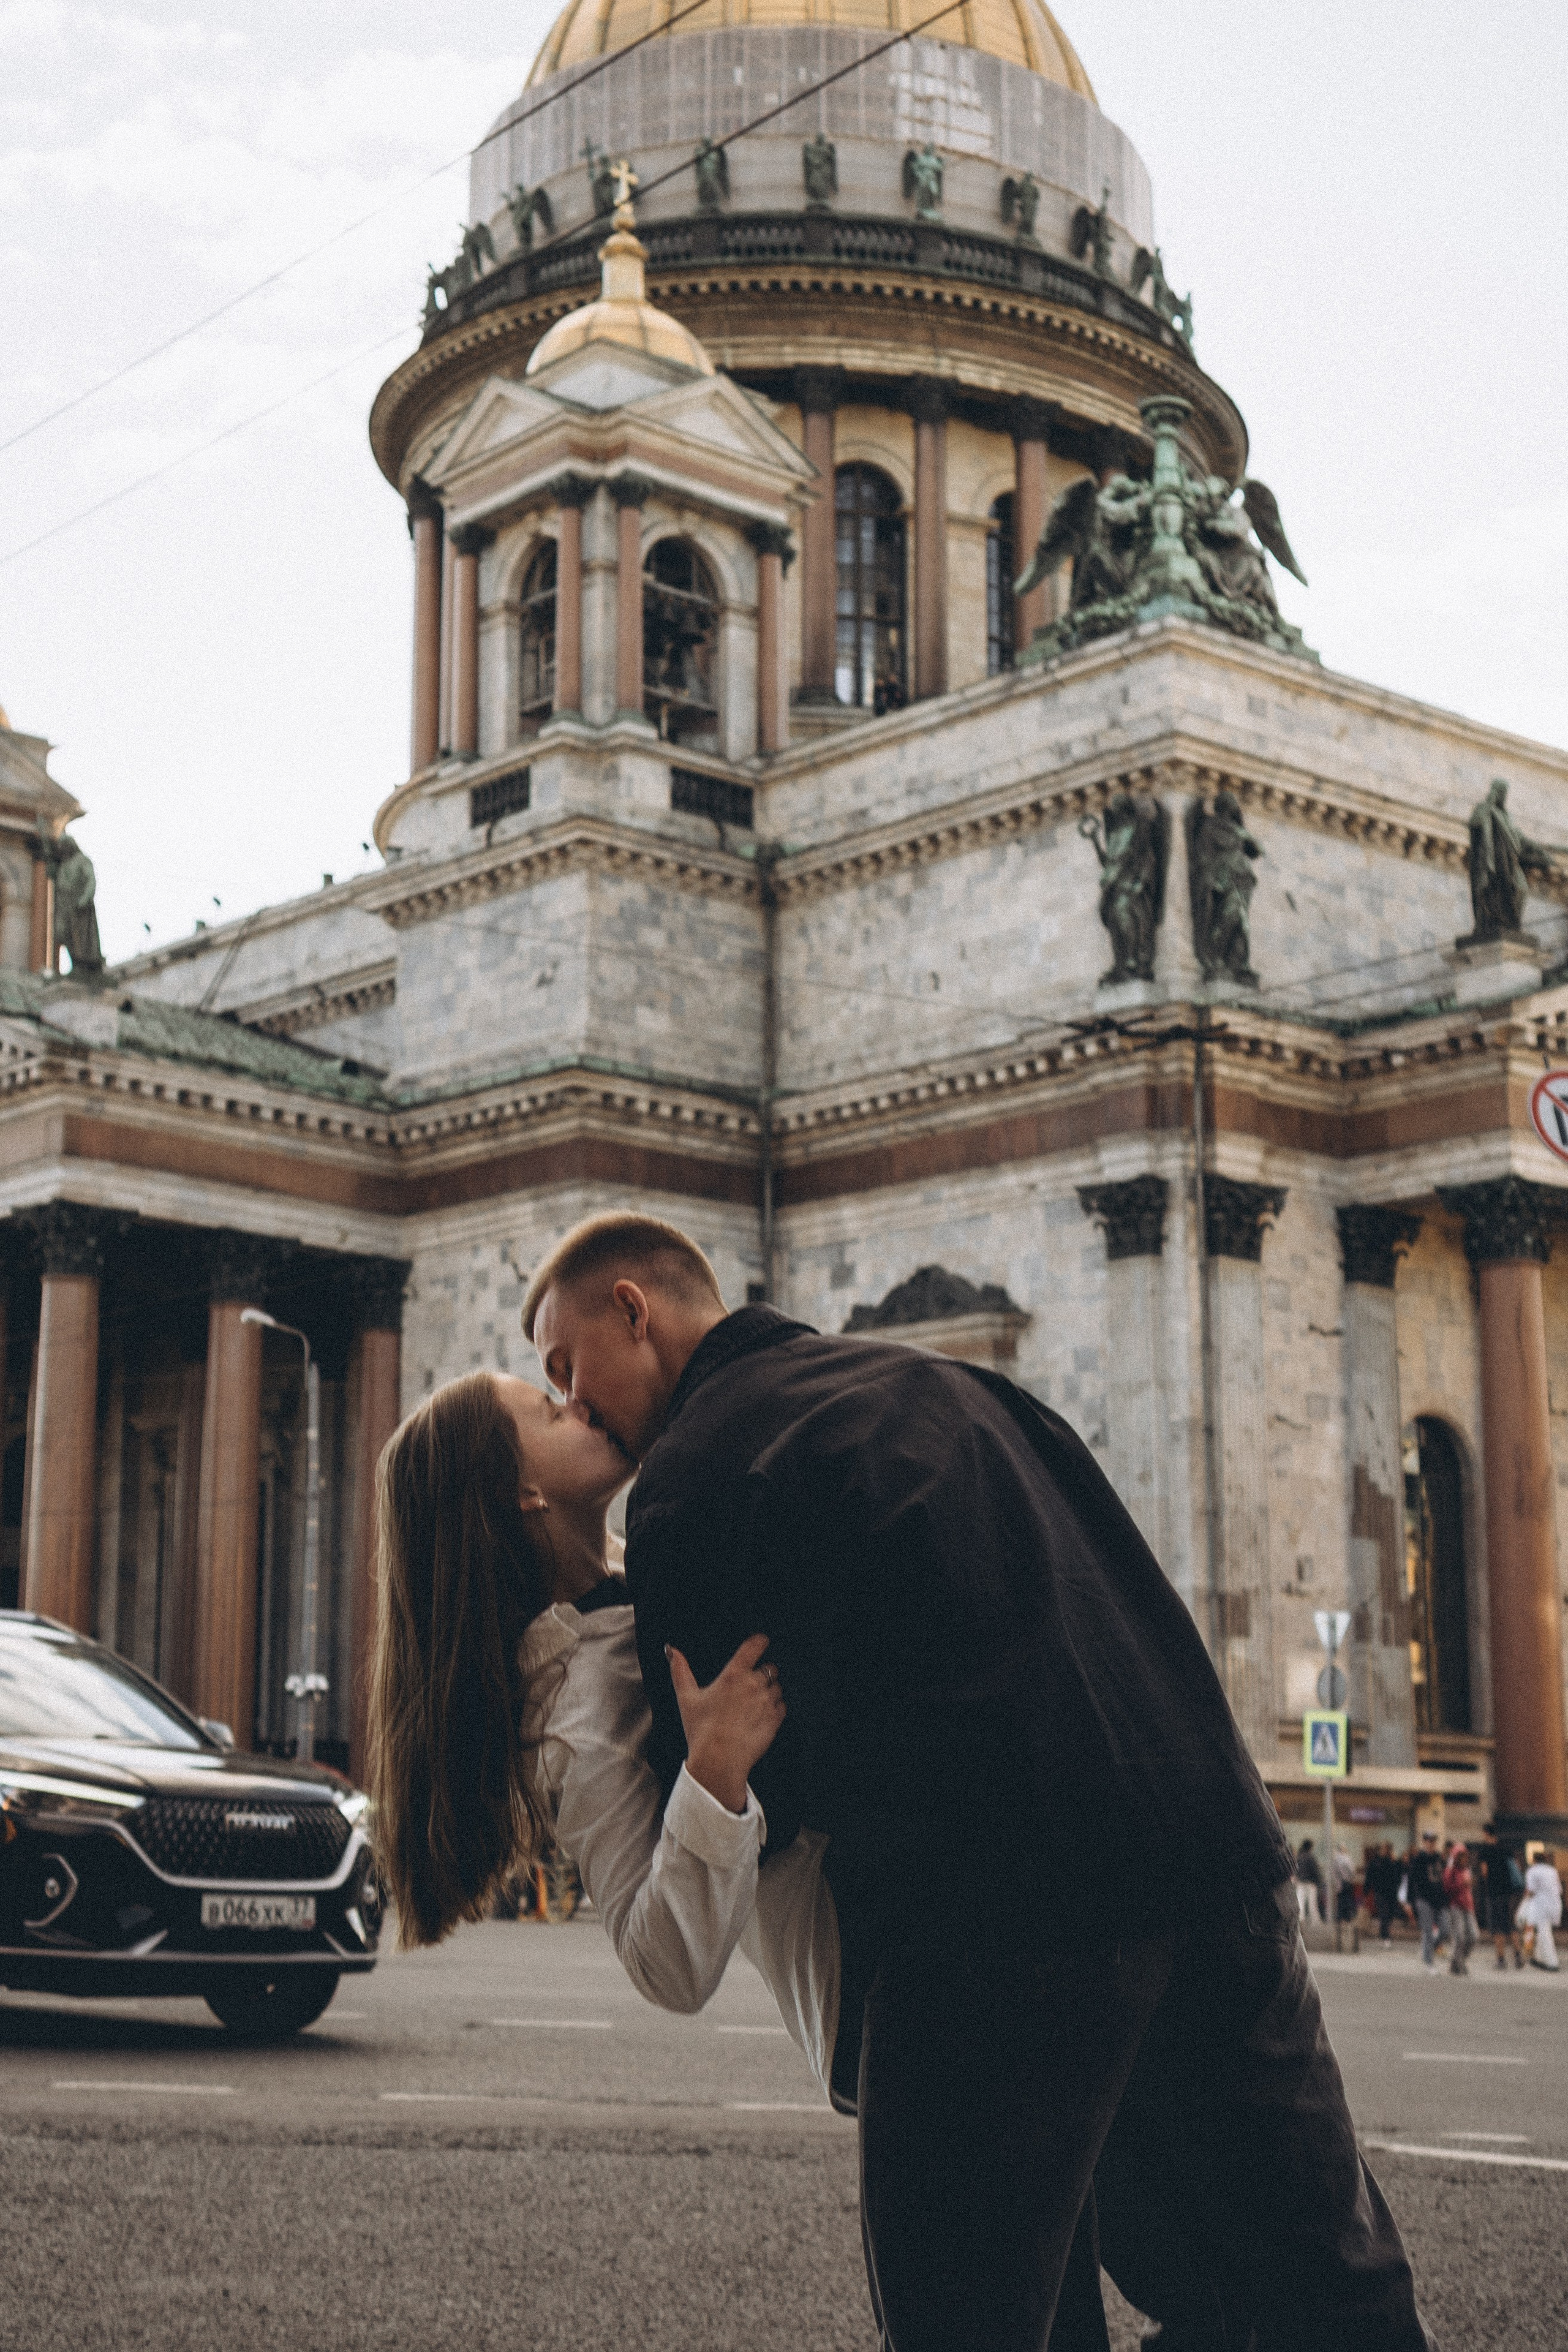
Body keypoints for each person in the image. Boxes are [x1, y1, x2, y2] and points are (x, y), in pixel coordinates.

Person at [525, 1210, 1434, 2352]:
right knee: (1323, 2283)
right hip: (1220, 1864)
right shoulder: (963, 1388)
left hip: (993, 1936)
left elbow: (776, 1803)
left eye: (564, 1365)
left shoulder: (696, 1475)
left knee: (979, 2318)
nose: (570, 1400)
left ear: (634, 1311)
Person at [366, 1371, 839, 2085]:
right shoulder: (573, 1709)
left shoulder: (651, 1557)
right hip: (871, 1996)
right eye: (552, 1412)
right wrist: (714, 1772)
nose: (580, 1403)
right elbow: (668, 1968)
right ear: (524, 1495)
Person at [1474, 1825, 1524, 1969]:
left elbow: (1485, 1872)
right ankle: (1518, 1955)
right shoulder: (1507, 1849)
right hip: (1509, 1893)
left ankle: (1501, 1959)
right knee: (1510, 1924)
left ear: (1486, 1834)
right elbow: (1517, 1868)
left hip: (1494, 1892)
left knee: (1498, 1927)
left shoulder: (1485, 1851)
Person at [1405, 1830, 1450, 1968]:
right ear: (1424, 1842)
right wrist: (1409, 1901)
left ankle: (1429, 1949)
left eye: (1433, 1841)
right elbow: (1411, 1881)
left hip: (1439, 1900)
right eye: (1428, 1841)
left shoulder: (1439, 1858)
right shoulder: (1418, 1859)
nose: (1431, 1844)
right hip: (1424, 1899)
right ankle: (1429, 1961)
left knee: (1445, 1929)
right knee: (1428, 1931)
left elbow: (1445, 1879)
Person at [1520, 1850, 1563, 1972]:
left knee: (1544, 1933)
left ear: (1534, 1860)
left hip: (1541, 1906)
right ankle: (1539, 1958)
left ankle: (1552, 1962)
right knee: (1543, 1931)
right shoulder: (1552, 1871)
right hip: (1555, 1904)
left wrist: (1524, 1903)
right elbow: (1559, 1889)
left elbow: (1531, 1891)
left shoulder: (1532, 1871)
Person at [1442, 1842, 1476, 1976]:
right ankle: (1457, 1964)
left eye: (1465, 1856)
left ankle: (1459, 1960)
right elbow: (1447, 1888)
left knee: (1474, 1936)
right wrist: (1461, 1885)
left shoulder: (1467, 1870)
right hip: (1455, 1906)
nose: (1463, 1859)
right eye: (1460, 1857)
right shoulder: (1451, 1871)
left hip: (1468, 1905)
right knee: (1460, 1938)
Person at [1294, 1837, 1324, 1925]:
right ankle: (1315, 1922)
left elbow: (1295, 1869)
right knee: (1312, 1903)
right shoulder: (1311, 1858)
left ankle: (1300, 1920)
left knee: (1300, 1901)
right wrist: (1319, 1881)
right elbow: (1315, 1871)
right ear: (1309, 1847)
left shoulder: (1299, 1856)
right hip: (1310, 1883)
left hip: (1300, 1883)